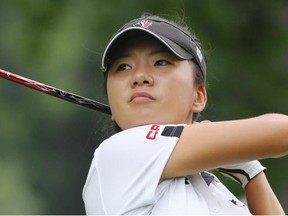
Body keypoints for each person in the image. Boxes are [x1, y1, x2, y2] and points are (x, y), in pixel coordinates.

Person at [82, 14, 288, 215]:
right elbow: (282, 132)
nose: (139, 77)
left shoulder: (213, 189)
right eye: (123, 67)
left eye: (161, 62)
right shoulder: (118, 153)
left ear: (198, 95)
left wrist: (251, 172)